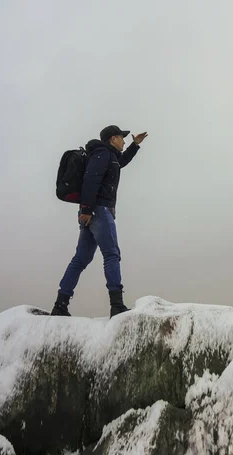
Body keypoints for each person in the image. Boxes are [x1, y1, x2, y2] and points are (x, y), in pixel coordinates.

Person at [51, 125, 148, 317]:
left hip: (92, 211)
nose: (123, 141)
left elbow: (121, 162)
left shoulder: (109, 156)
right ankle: (117, 305)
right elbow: (91, 180)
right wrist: (87, 209)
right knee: (111, 254)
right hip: (99, 211)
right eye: (122, 137)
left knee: (81, 259)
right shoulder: (102, 155)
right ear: (113, 139)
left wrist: (135, 145)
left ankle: (60, 304)